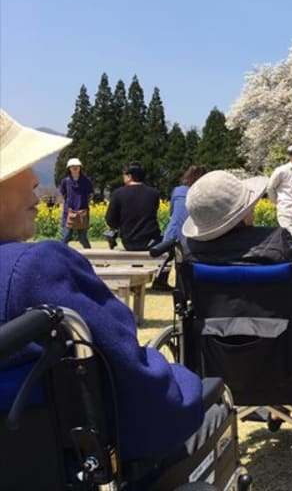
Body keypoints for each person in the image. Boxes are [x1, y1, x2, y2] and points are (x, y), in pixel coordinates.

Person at [0, 109, 224, 472]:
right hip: (80, 468)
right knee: (217, 407)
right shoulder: (35, 269)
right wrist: (187, 382)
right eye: (18, 167)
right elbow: (135, 384)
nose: (33, 181)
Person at [183, 170, 292, 307]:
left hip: (211, 340)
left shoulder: (190, 252)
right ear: (244, 215)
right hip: (282, 340)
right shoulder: (277, 242)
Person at [105, 161, 162, 251]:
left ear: (129, 176)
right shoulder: (154, 193)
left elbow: (110, 220)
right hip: (151, 241)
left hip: (129, 242)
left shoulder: (118, 194)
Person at [162, 164, 208, 246]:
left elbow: (171, 213)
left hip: (171, 237)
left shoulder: (178, 191)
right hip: (193, 239)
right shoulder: (204, 194)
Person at [59, 157, 94, 249]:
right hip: (68, 212)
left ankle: (91, 257)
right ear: (69, 168)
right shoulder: (65, 181)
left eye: (77, 166)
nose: (75, 168)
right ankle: (60, 257)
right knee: (65, 237)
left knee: (83, 238)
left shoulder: (86, 181)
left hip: (83, 212)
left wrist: (85, 205)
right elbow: (63, 194)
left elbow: (90, 194)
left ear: (80, 167)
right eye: (72, 166)